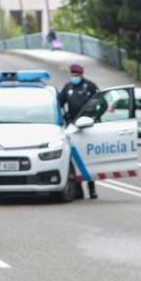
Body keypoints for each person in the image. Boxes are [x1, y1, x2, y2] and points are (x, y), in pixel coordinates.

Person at [57, 63, 102, 199]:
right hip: (72, 127)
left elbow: (100, 103)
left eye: (76, 75)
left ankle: (92, 189)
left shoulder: (90, 86)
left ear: (81, 74)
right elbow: (59, 103)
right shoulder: (68, 87)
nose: (73, 77)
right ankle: (78, 190)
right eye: (72, 75)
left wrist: (94, 117)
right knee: (75, 159)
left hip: (87, 126)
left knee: (88, 159)